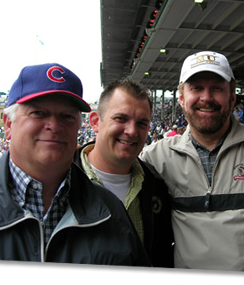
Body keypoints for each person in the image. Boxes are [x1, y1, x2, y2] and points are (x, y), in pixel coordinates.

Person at [0, 63, 151, 266]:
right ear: (8, 125)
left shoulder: (111, 210)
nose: (54, 125)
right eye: (38, 113)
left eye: (67, 116)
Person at [140, 51, 244, 271]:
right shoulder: (156, 158)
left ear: (232, 97)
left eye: (217, 88)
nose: (206, 97)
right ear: (181, 99)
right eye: (196, 88)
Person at [72, 79, 174, 267]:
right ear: (95, 122)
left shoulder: (156, 187)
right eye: (121, 119)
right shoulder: (62, 180)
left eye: (142, 123)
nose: (132, 131)